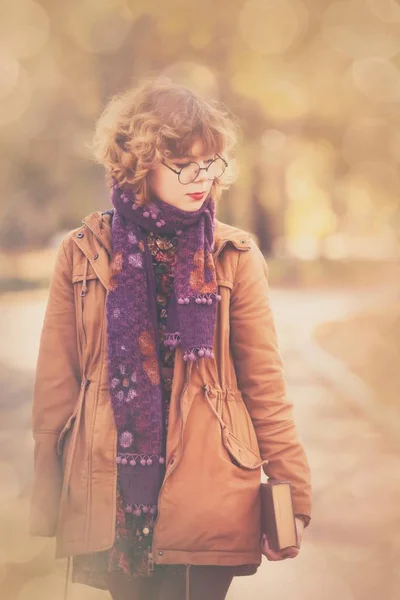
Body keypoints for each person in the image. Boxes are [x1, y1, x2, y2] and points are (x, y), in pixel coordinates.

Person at [29, 77, 312, 600]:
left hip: (210, 483)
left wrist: (292, 488)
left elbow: (265, 384)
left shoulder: (235, 255)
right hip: (111, 492)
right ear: (139, 164)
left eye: (213, 162)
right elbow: (56, 381)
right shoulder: (84, 251)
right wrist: (48, 494)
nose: (202, 177)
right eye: (185, 164)